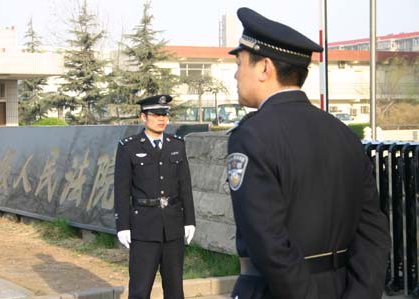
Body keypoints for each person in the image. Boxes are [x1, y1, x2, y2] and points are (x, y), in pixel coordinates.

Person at [226, 7, 391, 299]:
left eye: (239, 63)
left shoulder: (253, 137)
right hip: (342, 288)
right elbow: (373, 233)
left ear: (264, 67)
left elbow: (268, 242)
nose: (236, 75)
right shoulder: (344, 135)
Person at [114, 94, 196, 299]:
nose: (162, 119)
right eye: (156, 114)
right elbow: (122, 190)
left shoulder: (177, 145)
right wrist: (122, 225)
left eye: (165, 114)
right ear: (143, 117)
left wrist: (190, 221)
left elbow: (185, 185)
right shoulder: (129, 147)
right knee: (140, 288)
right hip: (144, 228)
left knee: (175, 289)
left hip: (173, 226)